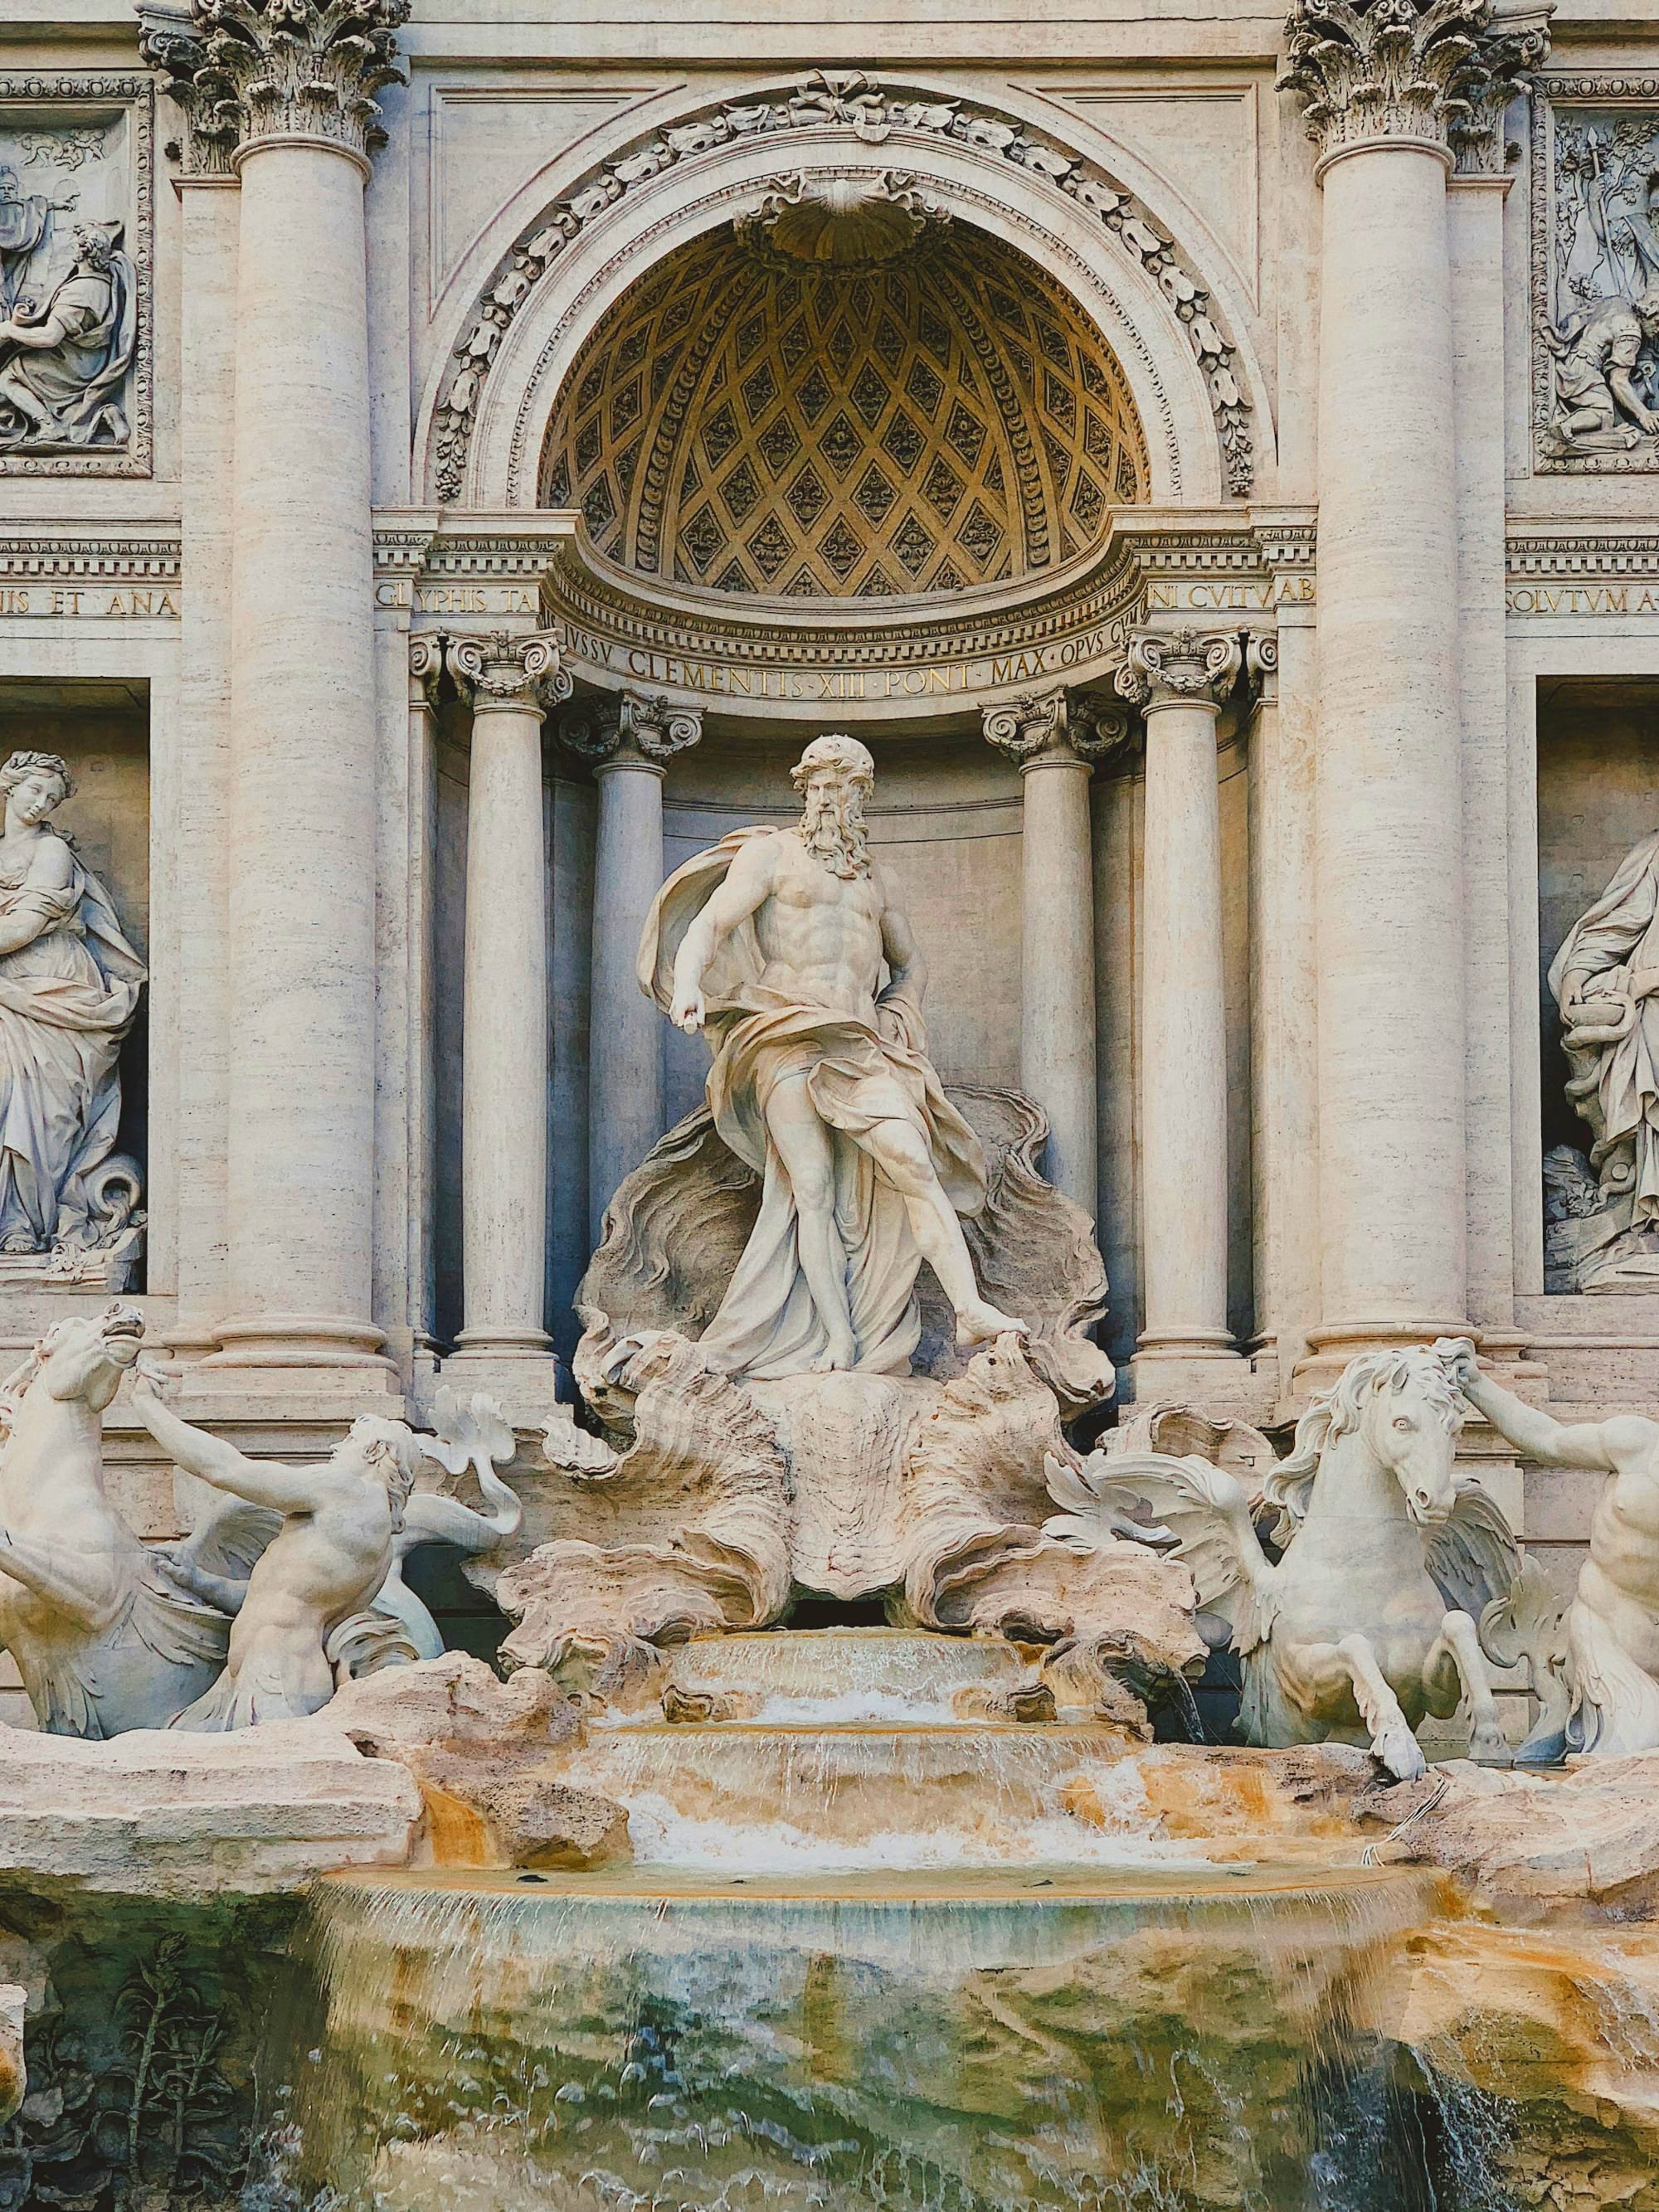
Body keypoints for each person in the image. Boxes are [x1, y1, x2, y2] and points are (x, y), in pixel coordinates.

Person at [637, 732, 1026, 1379]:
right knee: (809, 1188)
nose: (828, 799)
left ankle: (969, 1308)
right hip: (784, 1032)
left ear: (861, 797)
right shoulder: (771, 855)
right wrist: (685, 986)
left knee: (912, 1159)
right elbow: (710, 923)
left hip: (859, 1042)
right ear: (804, 791)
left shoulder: (879, 879)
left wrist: (901, 1010)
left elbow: (910, 964)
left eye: (842, 788)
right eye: (818, 786)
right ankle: (839, 1341)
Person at [131, 1376, 425, 1730]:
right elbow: (277, 1598)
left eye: (349, 1441)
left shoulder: (345, 1491)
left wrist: (148, 1408)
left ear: (374, 1451)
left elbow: (226, 1469)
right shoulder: (379, 1547)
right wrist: (198, 1580)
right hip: (260, 1678)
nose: (336, 1447)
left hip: (278, 1681)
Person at [1441, 1339, 1659, 1757]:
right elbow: (1546, 1439)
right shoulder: (1636, 1442)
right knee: (1634, 1751)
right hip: (1607, 1639)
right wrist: (1476, 1383)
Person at [0, 749, 144, 1257]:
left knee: (41, 1109)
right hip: (7, 991)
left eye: (52, 797)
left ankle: (25, 1224)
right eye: (34, 790)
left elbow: (23, 927)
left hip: (53, 987)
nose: (41, 803)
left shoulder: (52, 853)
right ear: (8, 786)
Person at [0, 220, 134, 448]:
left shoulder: (77, 293)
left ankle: (48, 426)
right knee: (48, 393)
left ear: (83, 251)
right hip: (92, 358)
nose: (69, 248)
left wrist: (10, 330)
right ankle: (101, 414)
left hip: (75, 364)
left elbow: (49, 337)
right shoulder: (103, 282)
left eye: (74, 245)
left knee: (7, 378)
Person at [1546, 288, 1659, 452]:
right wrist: (1644, 414)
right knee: (1603, 411)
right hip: (1585, 371)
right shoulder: (1631, 331)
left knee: (1613, 415)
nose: (1658, 330)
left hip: (1571, 360)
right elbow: (1618, 381)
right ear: (1645, 313)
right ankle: (1566, 427)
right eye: (1657, 322)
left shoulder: (1618, 303)